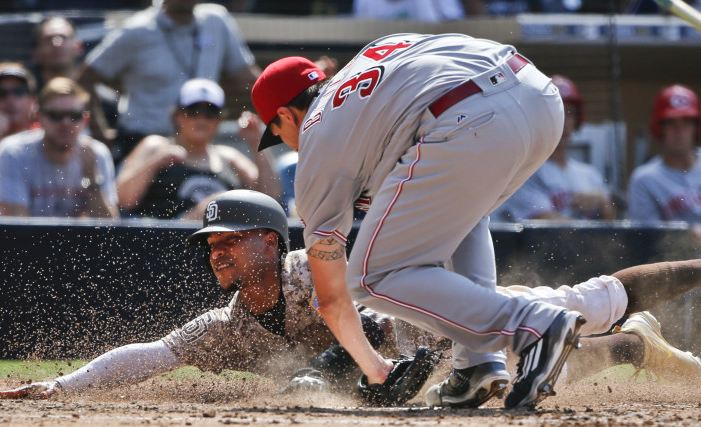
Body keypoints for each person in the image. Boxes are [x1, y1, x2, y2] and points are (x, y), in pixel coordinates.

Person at [0, 191, 701, 402]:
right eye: (210, 244)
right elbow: (153, 353)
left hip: (474, 318)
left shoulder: (317, 264)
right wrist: (62, 383)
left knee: (594, 296)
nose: (218, 250)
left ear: (271, 239)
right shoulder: (230, 325)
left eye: (231, 238)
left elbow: (378, 312)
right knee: (575, 366)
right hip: (455, 371)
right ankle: (635, 345)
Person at [251, 33, 585, 410]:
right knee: (462, 218)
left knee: (369, 277)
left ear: (283, 115)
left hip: (470, 115)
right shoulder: (369, 65)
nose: (288, 143)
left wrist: (375, 368)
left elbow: (331, 297)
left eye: (278, 134)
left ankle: (534, 325)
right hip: (539, 97)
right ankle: (477, 363)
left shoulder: (316, 134)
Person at [77, 0, 261, 164]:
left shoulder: (217, 20)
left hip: (197, 147)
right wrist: (100, 133)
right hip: (143, 146)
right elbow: (85, 79)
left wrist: (283, 106)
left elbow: (247, 77)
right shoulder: (136, 30)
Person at [116, 78, 281, 219]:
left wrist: (256, 143)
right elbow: (123, 200)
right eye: (194, 111)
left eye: (210, 112)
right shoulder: (156, 146)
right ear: (178, 115)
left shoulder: (228, 156)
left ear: (218, 120)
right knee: (218, 204)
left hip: (220, 244)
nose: (202, 119)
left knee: (221, 204)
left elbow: (270, 199)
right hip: (164, 239)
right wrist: (155, 162)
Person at [0, 77, 118, 218]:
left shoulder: (97, 154)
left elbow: (108, 232)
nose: (66, 123)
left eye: (74, 116)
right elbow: (16, 230)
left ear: (85, 120)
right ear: (38, 118)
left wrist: (93, 182)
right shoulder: (14, 153)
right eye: (56, 116)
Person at [492, 75, 616, 221]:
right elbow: (546, 224)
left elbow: (613, 229)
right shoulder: (524, 171)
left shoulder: (590, 175)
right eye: (556, 113)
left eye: (569, 113)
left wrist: (604, 203)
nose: (563, 121)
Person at [627, 84, 701, 224]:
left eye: (686, 123)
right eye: (671, 123)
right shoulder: (645, 179)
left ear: (695, 128)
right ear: (660, 129)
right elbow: (646, 240)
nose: (679, 131)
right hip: (677, 246)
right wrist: (688, 236)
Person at [0, 62, 39, 151]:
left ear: (33, 101)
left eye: (18, 92)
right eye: (1, 93)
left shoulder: (47, 139)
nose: (10, 99)